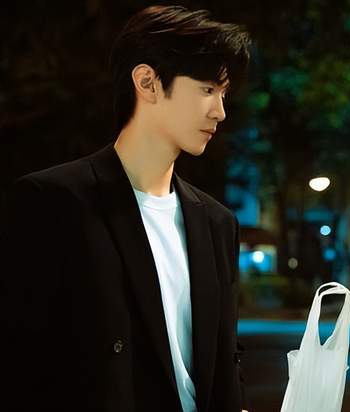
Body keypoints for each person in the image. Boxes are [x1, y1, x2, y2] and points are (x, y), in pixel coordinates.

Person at [0, 5, 251, 412]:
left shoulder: (217, 223)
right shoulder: (55, 201)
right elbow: (20, 362)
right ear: (147, 82)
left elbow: (225, 360)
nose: (220, 111)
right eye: (207, 89)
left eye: (223, 94)